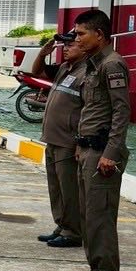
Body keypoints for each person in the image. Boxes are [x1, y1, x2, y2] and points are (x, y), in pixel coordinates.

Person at [69, 8, 132, 271]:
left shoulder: (112, 64)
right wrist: (80, 146)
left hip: (102, 153)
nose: (77, 39)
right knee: (88, 217)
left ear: (99, 34)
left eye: (81, 33)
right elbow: (91, 110)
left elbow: (121, 111)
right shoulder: (94, 64)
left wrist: (111, 152)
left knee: (101, 218)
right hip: (88, 149)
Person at [32, 30, 86, 250]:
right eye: (65, 46)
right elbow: (36, 72)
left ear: (84, 47)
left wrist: (80, 142)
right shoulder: (65, 68)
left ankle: (73, 232)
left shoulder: (86, 73)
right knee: (56, 188)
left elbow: (88, 111)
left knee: (69, 189)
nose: (66, 49)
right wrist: (42, 53)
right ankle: (62, 225)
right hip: (53, 139)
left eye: (71, 45)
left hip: (68, 141)